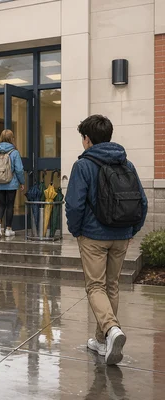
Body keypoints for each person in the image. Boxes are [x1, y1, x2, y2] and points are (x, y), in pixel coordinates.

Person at [65, 115, 147, 365]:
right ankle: (102, 341)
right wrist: (132, 230)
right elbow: (141, 202)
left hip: (93, 236)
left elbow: (74, 204)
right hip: (121, 235)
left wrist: (76, 230)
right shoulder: (127, 164)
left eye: (82, 138)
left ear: (88, 139)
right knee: (111, 286)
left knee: (95, 286)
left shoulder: (83, 165)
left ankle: (111, 329)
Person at [0, 129, 25, 238]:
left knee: (1, 204)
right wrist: (22, 182)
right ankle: (8, 229)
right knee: (10, 205)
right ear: (12, 138)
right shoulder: (14, 152)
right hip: (11, 183)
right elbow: (19, 169)